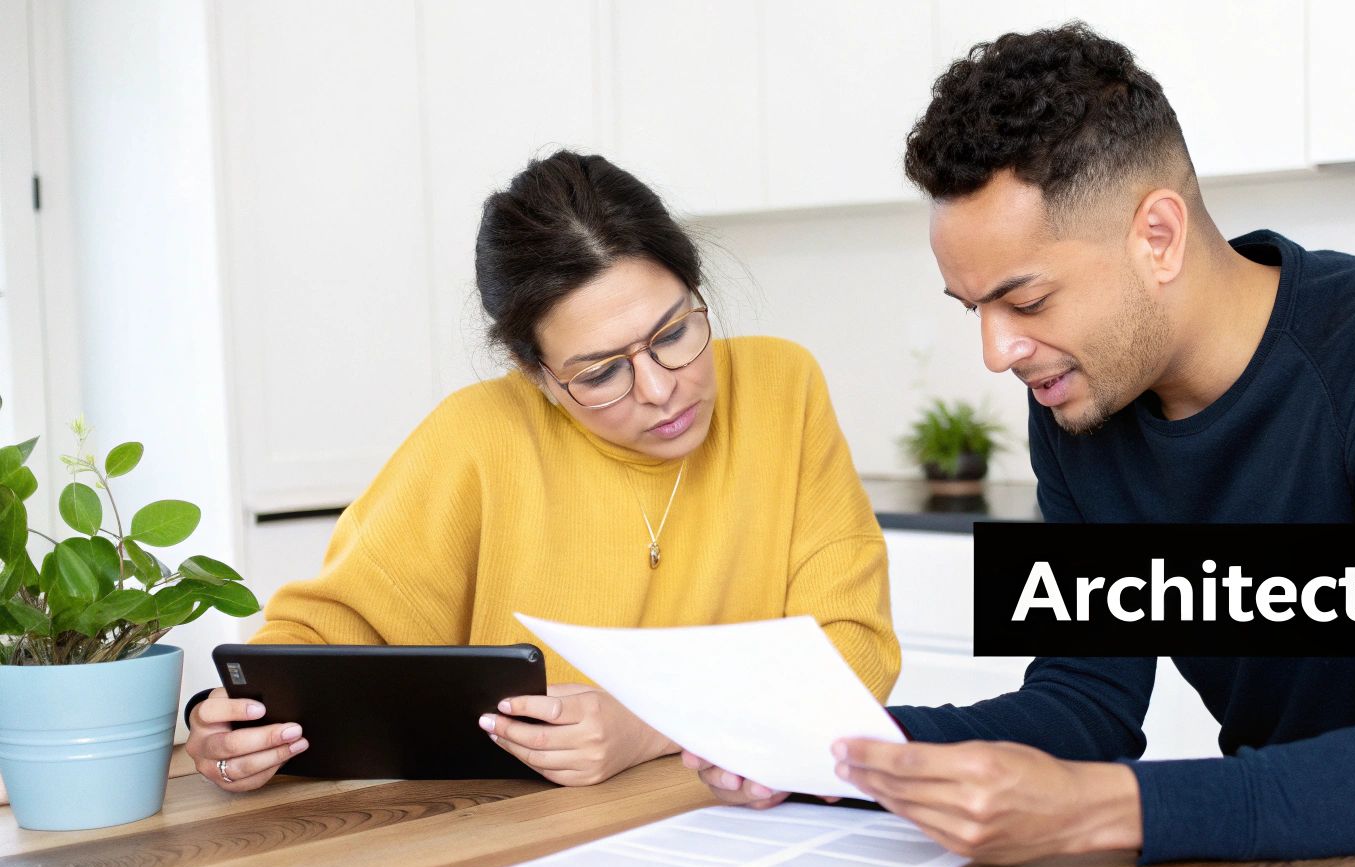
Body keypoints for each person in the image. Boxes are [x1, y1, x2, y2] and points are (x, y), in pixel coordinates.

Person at [690, 24, 1355, 867]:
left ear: (1157, 235)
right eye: (975, 311)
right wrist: (833, 749)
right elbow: (1085, 702)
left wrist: (1101, 809)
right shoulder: (1079, 409)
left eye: (1026, 301)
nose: (998, 351)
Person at [184, 151, 899, 792]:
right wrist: (233, 728)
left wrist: (648, 729)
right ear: (537, 376)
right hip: (509, 845)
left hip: (732, 825)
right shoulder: (475, 436)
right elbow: (319, 641)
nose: (658, 389)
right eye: (600, 373)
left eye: (675, 333)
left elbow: (854, 648)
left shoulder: (783, 386)